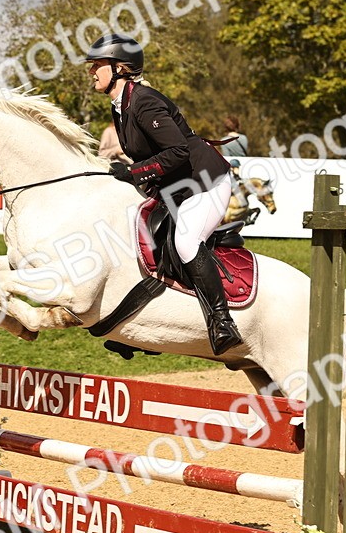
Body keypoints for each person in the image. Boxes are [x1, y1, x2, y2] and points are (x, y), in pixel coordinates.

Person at [85, 32, 241, 355]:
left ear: (120, 68)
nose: (92, 71)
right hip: (179, 186)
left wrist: (133, 173)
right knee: (136, 234)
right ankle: (146, 323)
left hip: (206, 181)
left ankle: (222, 321)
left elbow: (179, 152)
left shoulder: (143, 101)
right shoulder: (121, 106)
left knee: (185, 241)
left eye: (97, 65)